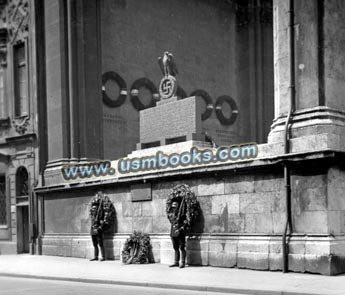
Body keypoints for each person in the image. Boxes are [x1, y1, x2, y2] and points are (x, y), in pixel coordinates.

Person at [167, 201, 187, 268]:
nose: (174, 206)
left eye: (175, 205)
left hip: (180, 233)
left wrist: (180, 228)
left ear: (178, 206)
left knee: (182, 247)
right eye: (173, 205)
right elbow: (170, 220)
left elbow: (185, 223)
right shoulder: (171, 214)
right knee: (175, 248)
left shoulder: (181, 214)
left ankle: (183, 262)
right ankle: (176, 262)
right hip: (173, 232)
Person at [89, 192, 106, 261]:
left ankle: (103, 257)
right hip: (93, 230)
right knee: (94, 244)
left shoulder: (100, 214)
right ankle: (95, 256)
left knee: (100, 244)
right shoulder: (93, 216)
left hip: (98, 230)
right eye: (93, 209)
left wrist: (99, 228)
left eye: (95, 209)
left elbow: (102, 221)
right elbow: (92, 222)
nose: (93, 210)